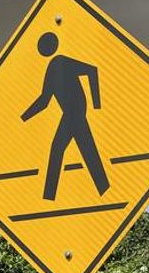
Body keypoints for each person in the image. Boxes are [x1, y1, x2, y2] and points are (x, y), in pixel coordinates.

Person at [22, 32, 110, 201]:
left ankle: (49, 196)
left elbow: (91, 70)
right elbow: (44, 100)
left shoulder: (60, 62)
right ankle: (104, 188)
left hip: (75, 112)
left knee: (60, 149)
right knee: (85, 150)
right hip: (70, 113)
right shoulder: (51, 68)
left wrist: (97, 103)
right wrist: (23, 118)